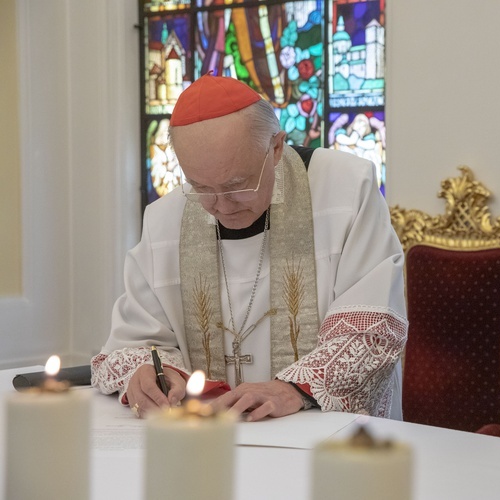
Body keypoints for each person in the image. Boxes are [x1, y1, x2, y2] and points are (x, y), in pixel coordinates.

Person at [91, 75, 407, 421]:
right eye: (201, 187)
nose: (221, 206)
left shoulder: (347, 190)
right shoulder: (164, 218)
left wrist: (293, 388)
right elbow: (136, 342)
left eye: (237, 185)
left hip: (323, 434)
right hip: (208, 439)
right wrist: (152, 374)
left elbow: (372, 329)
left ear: (275, 148)